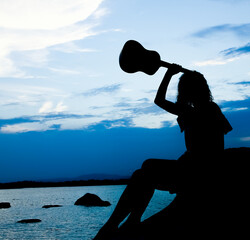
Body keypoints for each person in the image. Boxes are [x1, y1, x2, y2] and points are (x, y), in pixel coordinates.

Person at [94, 64, 232, 239]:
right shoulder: (189, 111)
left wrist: (169, 74)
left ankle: (116, 224)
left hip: (198, 170)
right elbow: (159, 100)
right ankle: (129, 220)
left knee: (144, 170)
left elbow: (217, 146)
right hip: (190, 166)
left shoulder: (210, 109)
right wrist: (168, 74)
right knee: (145, 168)